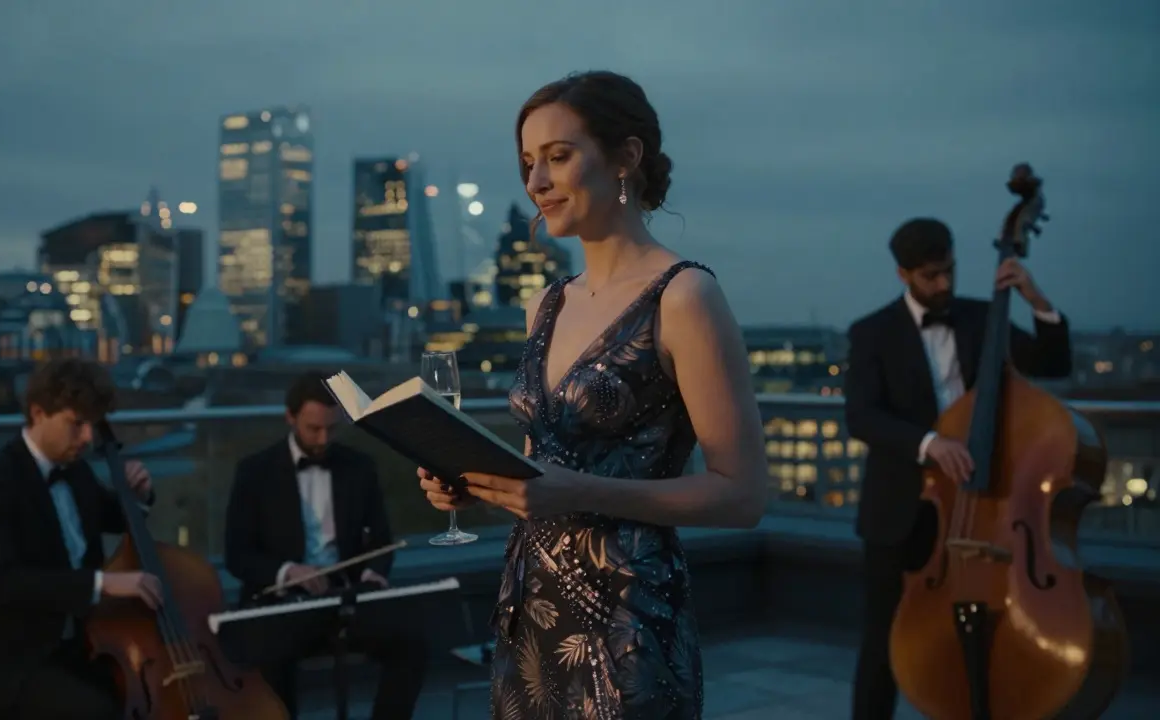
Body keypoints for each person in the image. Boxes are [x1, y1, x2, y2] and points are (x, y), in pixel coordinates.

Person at [418, 70, 770, 719]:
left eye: (557, 156)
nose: (536, 183)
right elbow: (540, 479)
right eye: (528, 163)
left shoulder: (684, 296)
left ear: (626, 157)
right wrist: (475, 484)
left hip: (629, 628)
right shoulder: (543, 306)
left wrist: (577, 491)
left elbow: (743, 495)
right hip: (528, 618)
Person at [843, 217, 1072, 719]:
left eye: (950, 270)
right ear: (904, 274)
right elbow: (860, 416)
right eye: (931, 276)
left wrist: (1037, 301)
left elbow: (1052, 365)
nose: (945, 284)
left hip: (984, 502)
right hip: (900, 506)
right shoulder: (871, 332)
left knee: (983, 630)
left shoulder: (983, 317)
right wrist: (929, 443)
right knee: (882, 638)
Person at [0, 358, 159, 720]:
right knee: (98, 711)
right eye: (76, 424)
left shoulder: (75, 471)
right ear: (37, 413)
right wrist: (104, 583)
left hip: (83, 644)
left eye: (92, 426)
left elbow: (109, 515)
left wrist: (135, 495)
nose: (88, 439)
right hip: (16, 660)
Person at [224, 370, 428, 720]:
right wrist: (289, 571)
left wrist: (373, 575)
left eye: (332, 429)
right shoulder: (254, 472)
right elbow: (237, 555)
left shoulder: (360, 467)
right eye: (312, 428)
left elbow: (380, 541)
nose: (322, 439)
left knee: (412, 644)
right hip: (282, 601)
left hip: (344, 598)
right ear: (290, 417)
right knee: (271, 659)